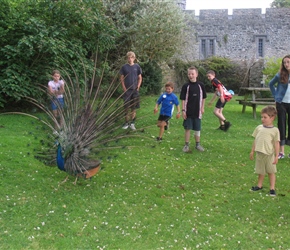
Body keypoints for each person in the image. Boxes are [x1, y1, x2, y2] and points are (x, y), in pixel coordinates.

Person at [250, 106, 280, 196]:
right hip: (259, 154)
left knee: (271, 171)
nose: (262, 119)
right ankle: (259, 185)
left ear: (272, 118)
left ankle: (272, 188)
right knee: (261, 171)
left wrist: (276, 156)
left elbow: (276, 143)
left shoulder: (275, 130)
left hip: (269, 155)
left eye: (265, 117)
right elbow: (255, 140)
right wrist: (252, 151)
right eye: (262, 117)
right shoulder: (259, 128)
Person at [180, 66, 207, 152]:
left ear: (196, 74)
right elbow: (183, 99)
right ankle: (186, 145)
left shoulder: (201, 85)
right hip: (188, 111)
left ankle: (197, 145)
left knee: (197, 128)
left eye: (192, 74)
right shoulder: (186, 86)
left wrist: (202, 107)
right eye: (189, 74)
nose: (190, 75)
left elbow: (204, 98)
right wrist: (183, 110)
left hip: (198, 111)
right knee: (188, 128)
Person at [269, 54, 290, 159]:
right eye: (284, 62)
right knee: (281, 125)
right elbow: (270, 84)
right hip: (281, 103)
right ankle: (282, 152)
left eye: (288, 62)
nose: (286, 64)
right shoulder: (280, 75)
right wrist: (275, 96)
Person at [120, 51, 142, 130]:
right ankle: (126, 123)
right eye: (128, 57)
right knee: (126, 107)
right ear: (127, 58)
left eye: (131, 57)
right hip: (127, 90)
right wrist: (124, 88)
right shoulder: (124, 67)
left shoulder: (137, 67)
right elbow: (121, 78)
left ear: (134, 58)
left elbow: (140, 77)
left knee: (134, 107)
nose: (130, 59)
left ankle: (132, 123)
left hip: (135, 90)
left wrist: (138, 86)